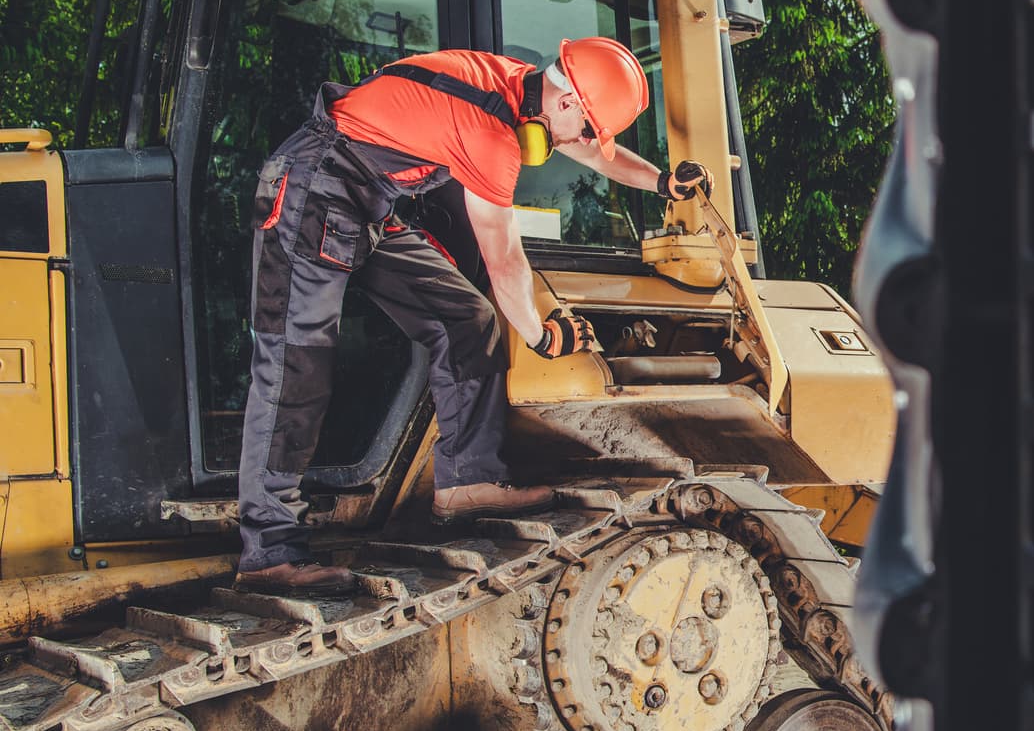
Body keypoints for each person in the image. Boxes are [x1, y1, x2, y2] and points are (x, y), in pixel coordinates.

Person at [234, 37, 716, 594]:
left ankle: (467, 479)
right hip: (314, 190)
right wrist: (541, 336)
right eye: (589, 127)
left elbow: (580, 148)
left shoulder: (519, 89)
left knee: (467, 318)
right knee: (294, 369)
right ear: (564, 103)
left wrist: (661, 184)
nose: (588, 143)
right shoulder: (490, 134)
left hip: (367, 201)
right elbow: (503, 254)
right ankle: (268, 553)